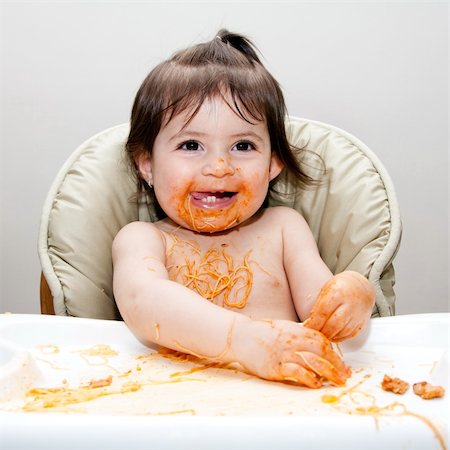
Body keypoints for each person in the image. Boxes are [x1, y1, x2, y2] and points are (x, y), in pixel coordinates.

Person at [112, 29, 375, 389]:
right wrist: (244, 340)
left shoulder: (283, 229)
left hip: (283, 409)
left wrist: (354, 294)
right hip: (169, 408)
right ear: (147, 165)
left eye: (243, 145)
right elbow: (144, 301)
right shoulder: (142, 239)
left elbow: (322, 308)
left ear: (273, 164)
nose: (219, 166)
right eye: (191, 145)